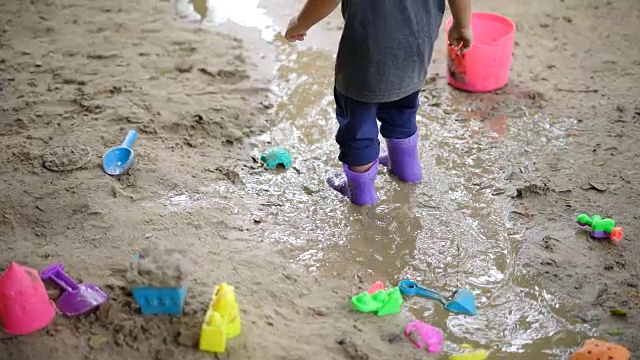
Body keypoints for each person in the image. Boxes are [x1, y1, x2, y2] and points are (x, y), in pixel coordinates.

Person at [285, 0, 473, 206]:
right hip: (416, 50)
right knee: (403, 109)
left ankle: (361, 194)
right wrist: (462, 24)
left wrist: (301, 23)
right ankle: (407, 170)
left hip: (365, 56)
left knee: (358, 128)